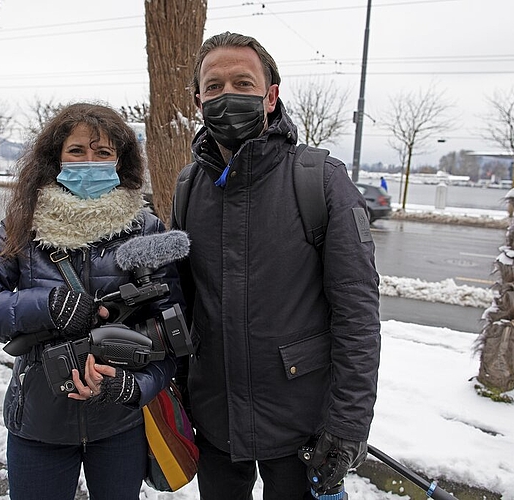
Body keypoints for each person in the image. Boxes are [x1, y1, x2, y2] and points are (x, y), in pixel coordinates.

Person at [172, 32, 381, 500]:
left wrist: (347, 425)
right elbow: (184, 303)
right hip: (215, 421)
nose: (227, 96)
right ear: (199, 99)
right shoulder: (188, 188)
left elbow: (357, 316)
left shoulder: (321, 180)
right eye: (214, 86)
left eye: (243, 83)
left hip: (301, 427)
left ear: (270, 97)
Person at [0, 103, 183, 500]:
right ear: (55, 159)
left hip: (119, 427)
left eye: (103, 153)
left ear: (120, 162)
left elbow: (174, 336)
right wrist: (46, 305)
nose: (91, 162)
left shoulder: (147, 230)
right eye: (77, 151)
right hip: (39, 426)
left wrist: (133, 387)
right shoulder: (22, 226)